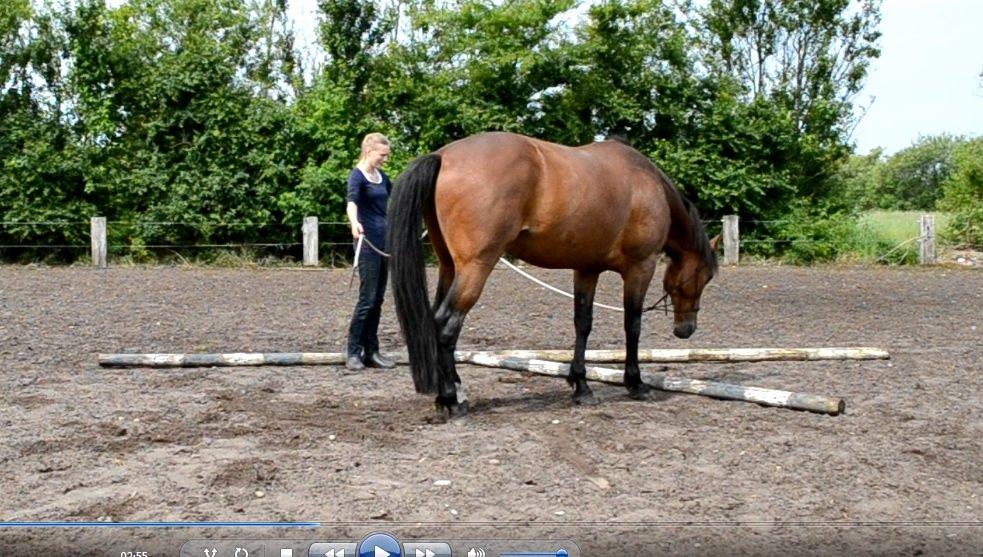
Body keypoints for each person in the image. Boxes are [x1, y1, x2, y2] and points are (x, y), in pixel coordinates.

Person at [345, 133, 396, 371]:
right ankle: (353, 352)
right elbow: (352, 202)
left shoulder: (381, 177)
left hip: (385, 245)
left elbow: (396, 199)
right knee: (367, 300)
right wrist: (354, 223)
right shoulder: (358, 176)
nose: (385, 159)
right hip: (368, 245)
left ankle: (372, 351)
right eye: (382, 155)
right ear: (369, 151)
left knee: (378, 300)